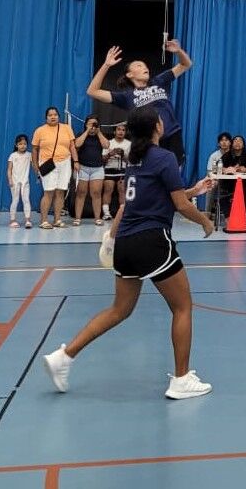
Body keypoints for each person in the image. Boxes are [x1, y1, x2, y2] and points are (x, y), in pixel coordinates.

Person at [43, 106, 216, 399]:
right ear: (157, 128)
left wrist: (194, 191)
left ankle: (64, 356)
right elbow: (179, 206)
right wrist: (205, 221)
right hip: (152, 241)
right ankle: (182, 379)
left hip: (126, 242)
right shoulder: (165, 157)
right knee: (183, 307)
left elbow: (152, 198)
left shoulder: (135, 159)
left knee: (119, 310)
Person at [87, 42, 191, 169]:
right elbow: (92, 91)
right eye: (139, 65)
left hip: (173, 137)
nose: (144, 67)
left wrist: (178, 51)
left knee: (174, 178)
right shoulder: (126, 97)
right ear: (130, 74)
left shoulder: (158, 81)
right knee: (154, 179)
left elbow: (186, 64)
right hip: (150, 142)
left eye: (145, 65)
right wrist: (106, 65)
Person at [32, 107, 78, 229]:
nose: (53, 117)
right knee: (49, 192)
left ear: (58, 116)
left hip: (65, 162)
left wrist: (76, 161)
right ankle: (44, 220)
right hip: (47, 163)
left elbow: (72, 146)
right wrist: (35, 164)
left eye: (55, 114)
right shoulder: (39, 131)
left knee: (60, 191)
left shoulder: (67, 128)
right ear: (46, 117)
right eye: (50, 115)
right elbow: (35, 149)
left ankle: (57, 220)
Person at [73, 115, 110, 227]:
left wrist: (98, 132)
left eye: (95, 124)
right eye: (90, 124)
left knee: (96, 193)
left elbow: (106, 145)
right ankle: (78, 218)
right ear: (86, 124)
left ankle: (97, 218)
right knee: (81, 193)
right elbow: (77, 144)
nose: (93, 126)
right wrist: (87, 131)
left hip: (97, 168)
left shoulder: (100, 136)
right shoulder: (81, 134)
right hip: (83, 167)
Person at [220, 135, 246, 220]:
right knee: (223, 195)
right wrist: (227, 169)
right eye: (235, 141)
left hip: (244, 186)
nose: (237, 142)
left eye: (240, 141)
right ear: (232, 144)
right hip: (227, 186)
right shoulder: (227, 155)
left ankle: (242, 217)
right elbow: (218, 167)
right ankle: (228, 218)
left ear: (243, 145)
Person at [101, 123, 131, 221]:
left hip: (122, 171)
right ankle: (106, 213)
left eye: (123, 130)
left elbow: (130, 161)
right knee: (108, 189)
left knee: (122, 190)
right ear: (114, 131)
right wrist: (110, 153)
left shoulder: (129, 144)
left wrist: (123, 155)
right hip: (109, 170)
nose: (121, 132)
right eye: (118, 129)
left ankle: (123, 213)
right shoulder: (108, 142)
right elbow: (102, 159)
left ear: (125, 132)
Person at [7, 134, 32, 229]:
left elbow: (34, 165)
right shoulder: (13, 156)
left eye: (25, 144)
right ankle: (12, 220)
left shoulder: (29, 155)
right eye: (20, 144)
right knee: (15, 200)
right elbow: (9, 169)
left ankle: (28, 220)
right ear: (16, 145)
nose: (23, 146)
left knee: (26, 199)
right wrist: (10, 179)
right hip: (14, 182)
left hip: (25, 182)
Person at [204, 131, 232, 219]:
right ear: (218, 143)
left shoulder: (234, 155)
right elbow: (209, 171)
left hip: (231, 180)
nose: (224, 142)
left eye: (226, 140)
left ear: (230, 142)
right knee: (211, 185)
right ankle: (207, 212)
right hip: (218, 180)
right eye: (221, 140)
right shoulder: (214, 156)